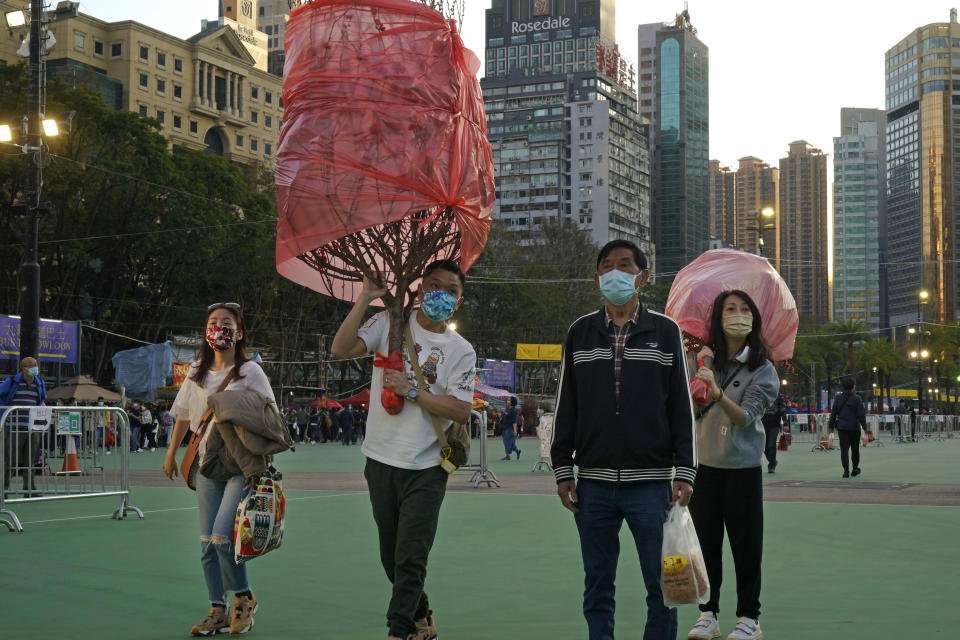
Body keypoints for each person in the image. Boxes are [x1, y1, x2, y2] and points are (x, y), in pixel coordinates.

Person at [551, 239, 696, 640]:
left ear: (643, 277)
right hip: (592, 486)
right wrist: (563, 470)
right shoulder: (580, 332)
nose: (616, 272)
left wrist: (685, 471)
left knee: (663, 585)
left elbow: (681, 407)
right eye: (608, 266)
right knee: (597, 584)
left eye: (626, 265)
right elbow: (567, 403)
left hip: (652, 487)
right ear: (597, 278)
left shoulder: (666, 332)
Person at [331, 260, 475, 640]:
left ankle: (400, 629)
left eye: (452, 290)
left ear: (459, 301)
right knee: (391, 556)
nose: (441, 294)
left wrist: (412, 391)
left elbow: (461, 408)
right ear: (420, 289)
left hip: (428, 466)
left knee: (411, 555)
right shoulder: (390, 325)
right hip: (380, 460)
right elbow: (341, 348)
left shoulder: (461, 350)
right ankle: (422, 612)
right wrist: (366, 297)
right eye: (434, 285)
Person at [162, 302, 276, 636]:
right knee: (206, 544)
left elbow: (270, 415)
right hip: (207, 464)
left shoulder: (250, 371)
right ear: (205, 331)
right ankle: (217, 609)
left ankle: (243, 598)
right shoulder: (196, 370)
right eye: (213, 322)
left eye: (227, 323)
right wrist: (171, 454)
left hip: (240, 462)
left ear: (239, 333)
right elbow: (183, 414)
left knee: (222, 538)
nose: (219, 328)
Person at [686, 290, 779, 640]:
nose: (738, 315)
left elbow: (745, 418)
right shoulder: (700, 360)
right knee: (705, 544)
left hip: (741, 470)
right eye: (730, 309)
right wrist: (703, 369)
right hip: (704, 467)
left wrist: (719, 391)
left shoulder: (763, 369)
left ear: (753, 319)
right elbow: (689, 409)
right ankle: (708, 614)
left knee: (746, 545)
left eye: (744, 309)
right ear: (718, 318)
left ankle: (749, 618)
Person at [0, 357, 47, 495]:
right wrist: (4, 411)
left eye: (36, 365)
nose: (35, 368)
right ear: (23, 368)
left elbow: (41, 398)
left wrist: (41, 406)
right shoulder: (12, 381)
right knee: (10, 460)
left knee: (31, 460)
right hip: (13, 427)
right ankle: (3, 489)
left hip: (32, 427)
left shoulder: (39, 383)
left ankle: (29, 488)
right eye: (31, 365)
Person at [828, 377, 867, 478]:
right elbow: (861, 414)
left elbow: (833, 413)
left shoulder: (838, 398)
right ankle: (855, 469)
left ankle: (846, 471)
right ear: (853, 386)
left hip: (842, 428)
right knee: (855, 449)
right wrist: (865, 427)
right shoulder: (857, 398)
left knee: (844, 450)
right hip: (854, 428)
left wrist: (831, 426)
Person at [761, 392, 787, 473]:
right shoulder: (760, 393)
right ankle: (773, 461)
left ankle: (771, 465)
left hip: (774, 423)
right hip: (762, 422)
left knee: (771, 444)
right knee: (764, 447)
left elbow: (783, 409)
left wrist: (785, 423)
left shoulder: (778, 394)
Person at [499, 396, 522, 461]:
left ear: (512, 402)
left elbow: (514, 421)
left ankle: (508, 457)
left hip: (510, 429)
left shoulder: (514, 410)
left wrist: (515, 431)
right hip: (505, 428)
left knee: (507, 442)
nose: (507, 401)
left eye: (509, 400)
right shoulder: (508, 409)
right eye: (507, 400)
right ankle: (517, 450)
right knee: (509, 443)